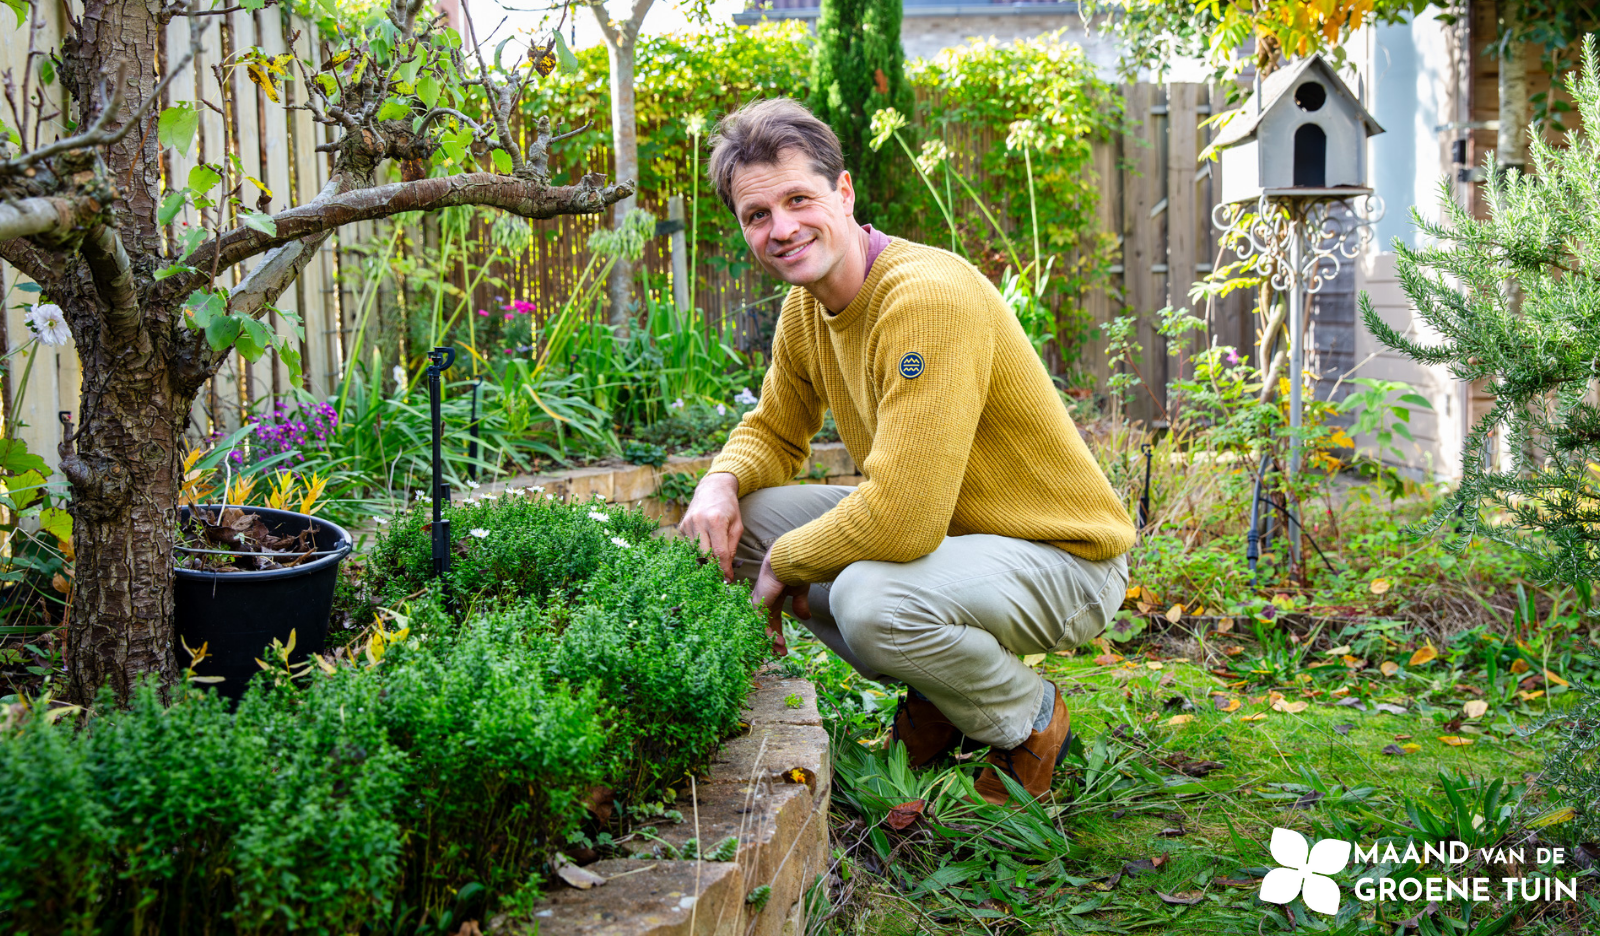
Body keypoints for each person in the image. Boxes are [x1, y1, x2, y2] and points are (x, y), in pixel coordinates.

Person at [677, 98, 1134, 806]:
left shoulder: (924, 299)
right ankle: (942, 694)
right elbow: (774, 430)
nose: (782, 228)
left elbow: (904, 520)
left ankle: (1030, 721)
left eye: (799, 199)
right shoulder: (807, 308)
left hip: (1065, 558)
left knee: (869, 599)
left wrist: (785, 564)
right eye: (757, 216)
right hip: (963, 536)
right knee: (748, 518)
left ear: (845, 191)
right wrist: (719, 483)